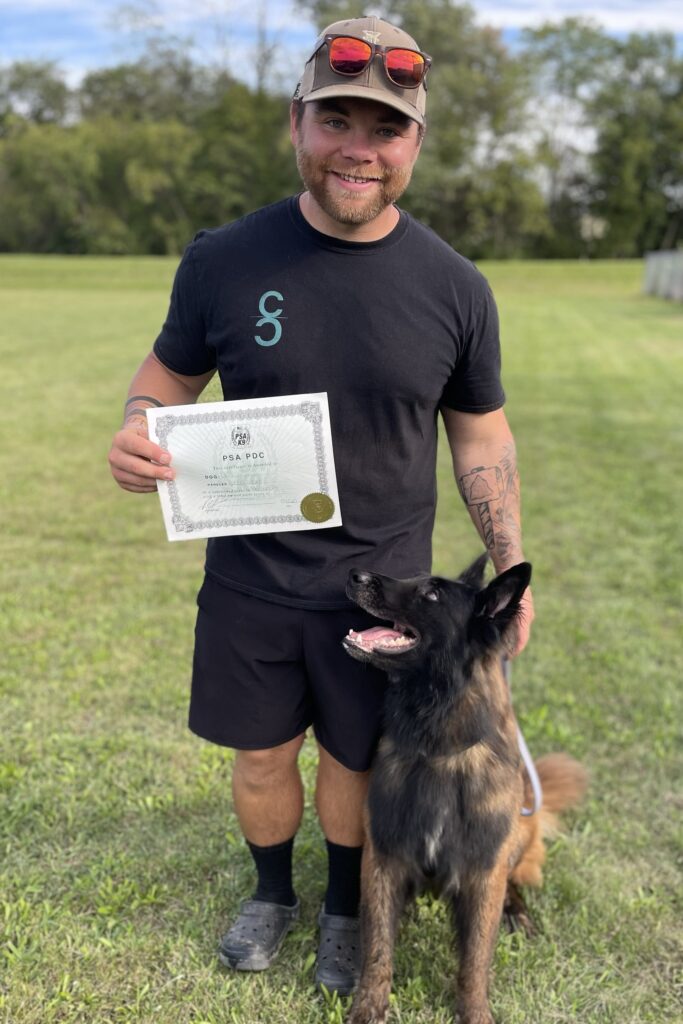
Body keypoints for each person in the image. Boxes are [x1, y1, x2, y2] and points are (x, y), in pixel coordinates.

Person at [108, 15, 534, 996]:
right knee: (262, 757)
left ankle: (346, 908)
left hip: (379, 593)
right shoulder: (224, 259)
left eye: (383, 130)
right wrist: (138, 424)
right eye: (334, 119)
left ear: (412, 146)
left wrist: (506, 567)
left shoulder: (453, 288)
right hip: (250, 577)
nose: (357, 148)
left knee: (351, 764)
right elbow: (167, 375)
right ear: (296, 124)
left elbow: (480, 433)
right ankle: (270, 893)